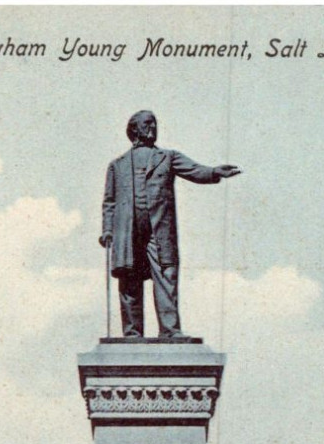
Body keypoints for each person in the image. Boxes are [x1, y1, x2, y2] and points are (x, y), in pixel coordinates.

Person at [100, 110, 241, 338]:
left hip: (159, 229)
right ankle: (132, 332)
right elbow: (109, 201)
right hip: (127, 231)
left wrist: (214, 172)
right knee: (129, 278)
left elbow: (195, 170)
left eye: (155, 124)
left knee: (166, 274)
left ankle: (170, 329)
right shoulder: (117, 165)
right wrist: (107, 230)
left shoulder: (168, 157)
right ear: (134, 129)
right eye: (147, 124)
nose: (153, 128)